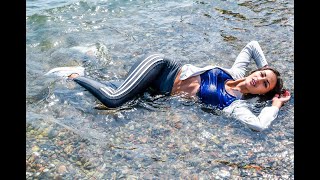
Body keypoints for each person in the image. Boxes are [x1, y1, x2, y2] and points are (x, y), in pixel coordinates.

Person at [46, 41, 291, 132]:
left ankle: (89, 58)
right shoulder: (236, 71)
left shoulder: (234, 105)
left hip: (156, 90)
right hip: (161, 66)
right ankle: (74, 75)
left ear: (262, 93)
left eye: (264, 83)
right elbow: (252, 45)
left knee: (113, 97)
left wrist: (276, 103)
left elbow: (259, 125)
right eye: (260, 74)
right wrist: (269, 68)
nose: (258, 79)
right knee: (114, 99)